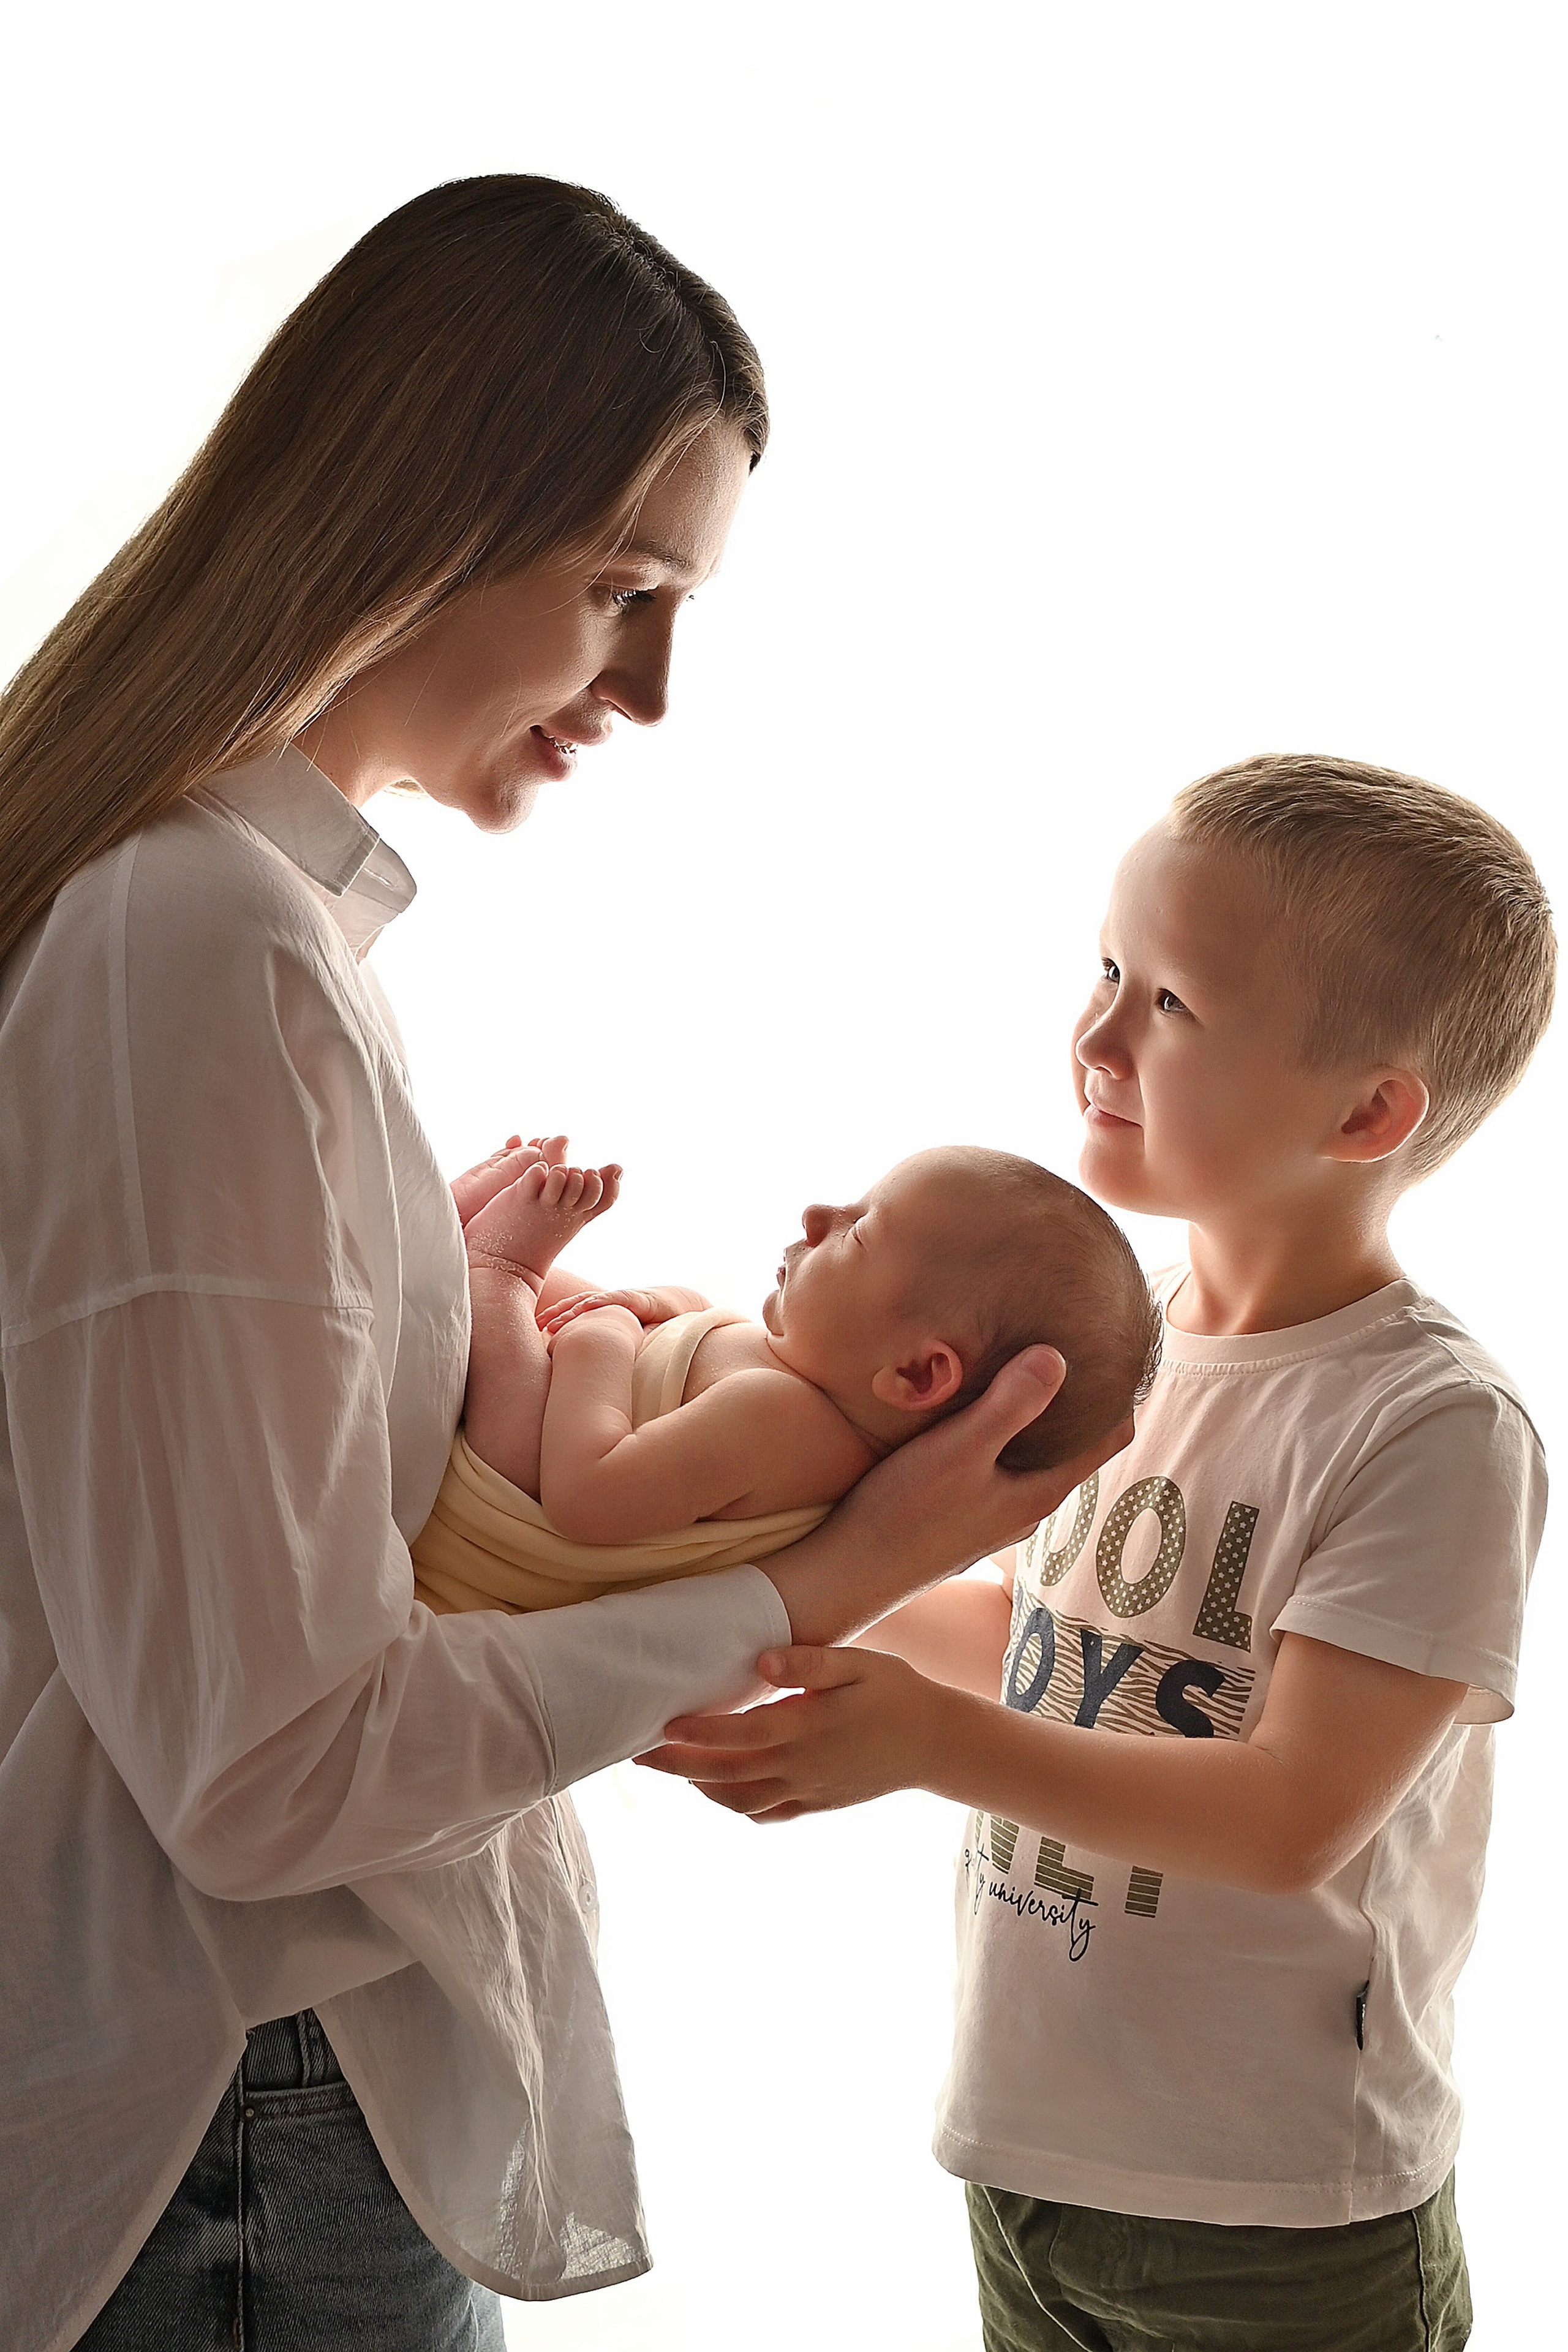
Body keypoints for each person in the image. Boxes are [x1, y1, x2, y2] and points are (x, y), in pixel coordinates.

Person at [0, 178, 1125, 2352]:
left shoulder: (233, 927)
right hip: (242, 2112)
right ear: (409, 521)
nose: (652, 684)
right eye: (622, 586)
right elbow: (264, 1774)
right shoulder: (199, 949)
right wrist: (803, 1581)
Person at [643, 755, 1554, 2350]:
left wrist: (931, 1746)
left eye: (1175, 1004)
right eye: (1109, 969)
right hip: (1035, 2149)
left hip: (1273, 2217)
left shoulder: (1431, 1426)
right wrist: (783, 1593)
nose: (1098, 1035)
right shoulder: (1115, 1339)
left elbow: (1293, 1814)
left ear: (1367, 1111)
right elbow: (1056, 1643)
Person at [409, 1143, 1163, 1613]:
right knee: (578, 1297)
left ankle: (492, 1268)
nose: (817, 1214)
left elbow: (584, 1495)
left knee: (533, 1324)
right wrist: (655, 1305)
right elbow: (703, 1332)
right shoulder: (795, 1382)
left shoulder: (785, 1424)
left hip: (513, 1506)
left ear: (915, 1372)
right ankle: (452, 1240)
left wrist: (600, 1339)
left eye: (861, 1230)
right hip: (561, 1441)